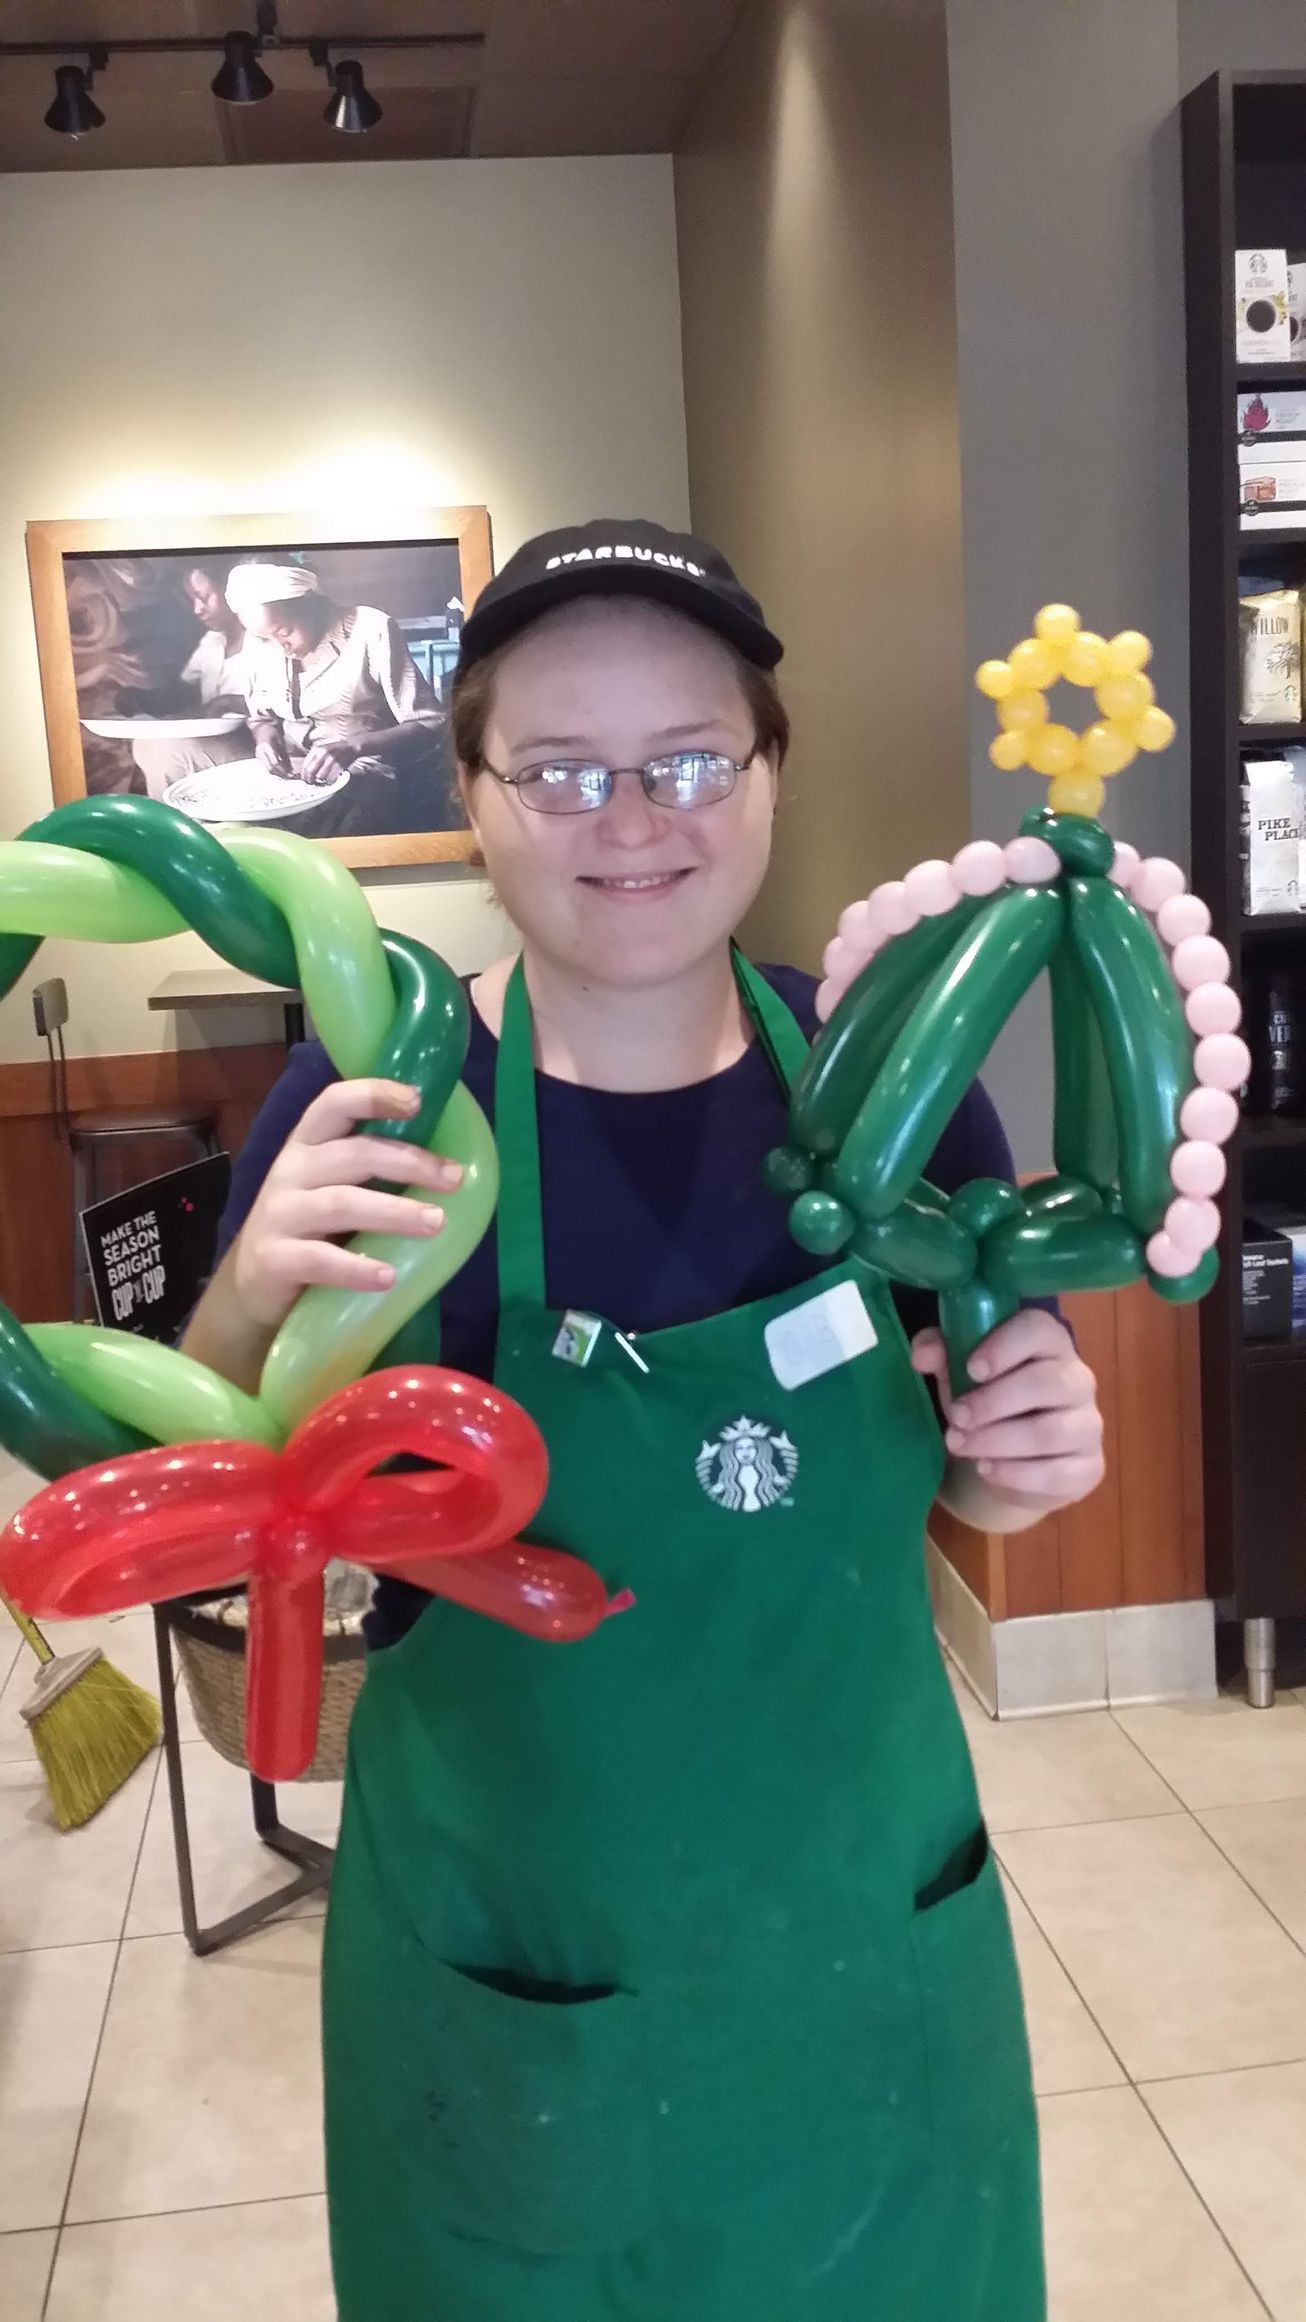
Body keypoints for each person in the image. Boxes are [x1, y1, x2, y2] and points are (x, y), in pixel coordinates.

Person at [184, 519, 1105, 2322]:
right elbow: (216, 1490)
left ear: (766, 775)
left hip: (864, 1945)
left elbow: (973, 1503)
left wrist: (1022, 1463)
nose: (634, 818)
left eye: (690, 758)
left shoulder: (889, 1090)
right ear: (469, 794)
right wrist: (244, 1301)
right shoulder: (378, 1104)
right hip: (513, 1965)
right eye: (563, 768)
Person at [224, 561, 450, 837]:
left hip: (365, 775)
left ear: (308, 603)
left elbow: (431, 723)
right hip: (292, 773)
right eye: (264, 638)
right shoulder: (259, 641)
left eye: (284, 632)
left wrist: (354, 746)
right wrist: (265, 738)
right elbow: (262, 717)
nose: (279, 647)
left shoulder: (370, 629)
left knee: (267, 832)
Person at [126, 557, 252, 799]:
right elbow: (182, 691)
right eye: (192, 600)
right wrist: (142, 699)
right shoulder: (212, 641)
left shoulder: (266, 639)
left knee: (166, 750)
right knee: (146, 741)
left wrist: (227, 703)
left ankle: (171, 829)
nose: (197, 609)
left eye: (203, 598)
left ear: (232, 592)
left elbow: (289, 704)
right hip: (216, 743)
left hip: (255, 747)